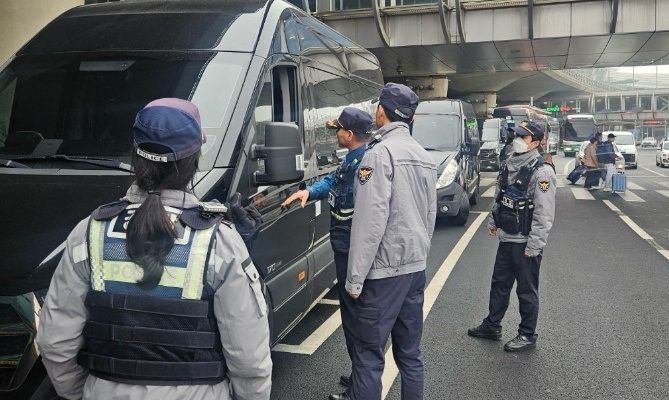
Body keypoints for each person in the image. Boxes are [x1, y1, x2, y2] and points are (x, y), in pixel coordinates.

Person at [36, 98, 272, 400]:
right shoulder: (219, 240)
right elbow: (249, 357)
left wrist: (84, 392)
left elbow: (55, 342)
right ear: (195, 158)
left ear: (135, 155)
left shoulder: (89, 232)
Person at [331, 83, 437, 400]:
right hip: (414, 268)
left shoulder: (378, 155)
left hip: (382, 274)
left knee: (368, 357)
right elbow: (430, 215)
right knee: (410, 354)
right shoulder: (423, 155)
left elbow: (369, 223)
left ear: (381, 111)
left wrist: (354, 279)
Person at [280, 107, 373, 390]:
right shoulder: (352, 160)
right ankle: (359, 374)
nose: (335, 135)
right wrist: (309, 191)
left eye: (338, 130)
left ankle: (362, 383)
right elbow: (334, 182)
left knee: (357, 317)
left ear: (349, 134)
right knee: (352, 315)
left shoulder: (364, 165)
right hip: (344, 246)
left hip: (352, 250)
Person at [468, 120, 557, 352]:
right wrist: (493, 221)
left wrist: (535, 245)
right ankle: (492, 325)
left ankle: (527, 334)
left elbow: (544, 213)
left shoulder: (542, 172)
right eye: (516, 135)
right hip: (507, 238)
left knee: (526, 291)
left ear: (535, 143)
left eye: (523, 137)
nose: (516, 140)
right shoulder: (509, 162)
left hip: (525, 243)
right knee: (499, 284)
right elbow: (500, 195)